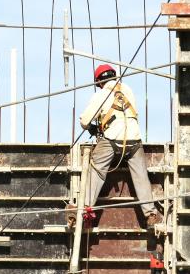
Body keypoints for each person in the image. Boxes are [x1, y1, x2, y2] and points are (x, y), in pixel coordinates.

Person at [70, 63, 163, 228]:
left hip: (112, 140)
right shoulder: (127, 90)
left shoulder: (102, 94)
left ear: (99, 82)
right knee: (141, 177)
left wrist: (92, 127)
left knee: (96, 171)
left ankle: (85, 210)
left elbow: (84, 120)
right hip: (134, 140)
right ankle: (150, 214)